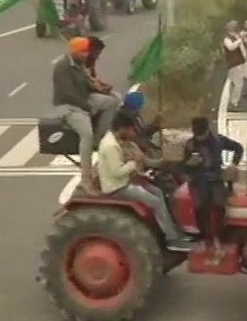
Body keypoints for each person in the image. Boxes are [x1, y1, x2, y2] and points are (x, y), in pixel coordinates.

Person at [97, 114, 195, 252]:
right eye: (131, 130)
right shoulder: (111, 146)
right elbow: (116, 172)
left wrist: (163, 162)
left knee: (159, 193)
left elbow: (145, 161)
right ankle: (171, 239)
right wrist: (134, 162)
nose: (133, 133)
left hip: (126, 181)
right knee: (155, 202)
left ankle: (174, 232)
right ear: (122, 129)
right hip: (118, 187)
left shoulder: (121, 141)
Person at [52, 37, 120, 193]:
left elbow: (86, 84)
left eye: (86, 52)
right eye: (82, 52)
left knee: (112, 101)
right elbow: (67, 94)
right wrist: (87, 107)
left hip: (84, 100)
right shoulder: (62, 67)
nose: (85, 55)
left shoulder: (79, 65)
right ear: (74, 51)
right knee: (86, 134)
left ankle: (101, 138)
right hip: (69, 107)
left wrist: (102, 89)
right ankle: (86, 179)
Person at [182, 117, 243, 253]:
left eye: (202, 135)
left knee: (219, 205)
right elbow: (184, 167)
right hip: (197, 180)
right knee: (199, 206)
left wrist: (233, 163)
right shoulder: (190, 145)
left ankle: (218, 236)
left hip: (215, 178)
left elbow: (238, 148)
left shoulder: (219, 140)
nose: (200, 138)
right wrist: (189, 164)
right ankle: (204, 237)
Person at [222, 22, 247, 109]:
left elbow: (243, 45)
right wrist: (239, 40)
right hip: (234, 63)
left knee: (235, 83)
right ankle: (234, 103)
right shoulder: (227, 39)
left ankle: (233, 101)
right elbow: (231, 47)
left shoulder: (236, 36)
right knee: (238, 84)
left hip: (239, 62)